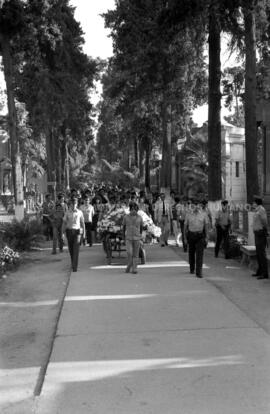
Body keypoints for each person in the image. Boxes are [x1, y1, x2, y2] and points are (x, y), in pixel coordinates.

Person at [184, 199, 209, 278]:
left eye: (197, 205)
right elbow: (185, 227)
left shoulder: (204, 214)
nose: (195, 207)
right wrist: (184, 238)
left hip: (200, 236)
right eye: (193, 205)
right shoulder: (188, 214)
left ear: (200, 206)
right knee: (191, 253)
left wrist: (207, 237)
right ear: (191, 206)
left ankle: (199, 272)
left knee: (200, 254)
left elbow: (206, 226)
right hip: (191, 235)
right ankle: (192, 268)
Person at [62, 196, 85, 272]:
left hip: (77, 232)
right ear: (70, 204)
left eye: (75, 203)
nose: (74, 205)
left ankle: (75, 267)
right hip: (69, 232)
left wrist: (84, 234)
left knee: (76, 250)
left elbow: (82, 223)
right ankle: (73, 263)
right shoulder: (67, 212)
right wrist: (62, 233)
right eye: (72, 203)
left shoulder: (80, 212)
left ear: (77, 204)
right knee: (71, 250)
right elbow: (64, 223)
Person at [122, 202, 143, 274]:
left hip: (137, 238)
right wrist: (122, 235)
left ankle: (134, 269)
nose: (134, 211)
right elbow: (124, 227)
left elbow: (141, 227)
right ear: (130, 209)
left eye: (135, 209)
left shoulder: (140, 217)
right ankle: (129, 265)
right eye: (132, 209)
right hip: (128, 238)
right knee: (129, 252)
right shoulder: (126, 217)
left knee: (136, 254)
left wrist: (140, 235)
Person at [252, 195, 269, 280]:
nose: (253, 203)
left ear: (257, 203)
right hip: (257, 233)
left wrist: (266, 230)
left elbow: (265, 221)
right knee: (258, 253)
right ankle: (259, 271)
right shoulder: (257, 210)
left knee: (261, 253)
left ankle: (265, 273)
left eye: (254, 202)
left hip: (261, 233)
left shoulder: (261, 210)